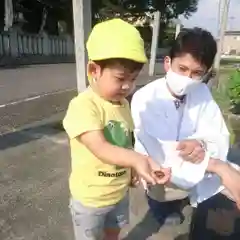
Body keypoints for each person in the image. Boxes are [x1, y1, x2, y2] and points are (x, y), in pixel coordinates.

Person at [62, 19, 170, 240]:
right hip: (90, 199)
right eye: (120, 78)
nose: (127, 86)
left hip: (119, 194)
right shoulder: (84, 105)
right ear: (94, 70)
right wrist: (137, 160)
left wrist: (133, 171)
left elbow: (126, 142)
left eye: (132, 79)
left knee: (114, 232)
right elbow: (100, 147)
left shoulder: (123, 105)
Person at [131, 27, 240, 239]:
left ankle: (183, 198)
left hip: (196, 166)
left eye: (197, 73)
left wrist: (201, 144)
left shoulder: (200, 91)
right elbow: (161, 153)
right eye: (182, 68)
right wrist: (219, 166)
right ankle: (160, 206)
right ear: (167, 63)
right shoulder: (146, 98)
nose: (188, 78)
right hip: (162, 172)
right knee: (163, 189)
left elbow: (216, 131)